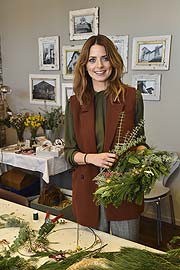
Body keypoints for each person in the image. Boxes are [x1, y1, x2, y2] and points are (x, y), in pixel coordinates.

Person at [64, 34, 146, 242]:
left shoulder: (132, 97)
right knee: (92, 254)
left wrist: (145, 156)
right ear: (84, 65)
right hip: (87, 190)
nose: (99, 65)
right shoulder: (75, 103)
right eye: (92, 59)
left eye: (105, 58)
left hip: (123, 190)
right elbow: (69, 153)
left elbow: (140, 141)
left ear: (113, 61)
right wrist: (92, 158)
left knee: (126, 253)